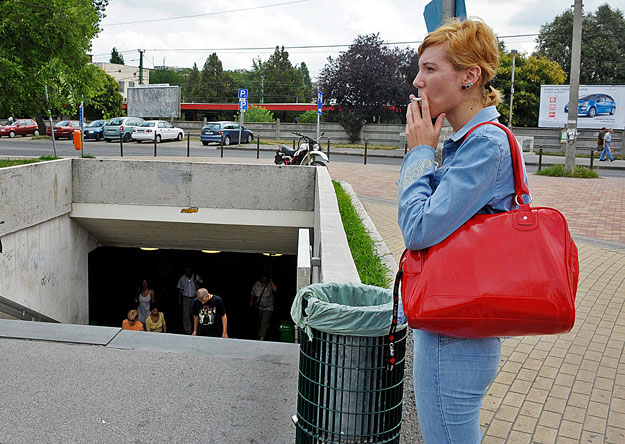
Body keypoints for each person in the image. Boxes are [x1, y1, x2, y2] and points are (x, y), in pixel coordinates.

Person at [398, 18, 525, 444]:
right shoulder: (468, 143)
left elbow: (417, 228)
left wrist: (418, 153)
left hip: (454, 332)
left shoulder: (485, 145)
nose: (417, 81)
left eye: (430, 69)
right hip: (460, 325)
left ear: (470, 76)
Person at [249, 275, 278, 340]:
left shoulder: (269, 285)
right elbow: (252, 293)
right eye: (263, 278)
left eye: (266, 279)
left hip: (268, 307)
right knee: (261, 322)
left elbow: (275, 289)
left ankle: (261, 338)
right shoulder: (257, 284)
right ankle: (261, 333)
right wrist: (251, 301)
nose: (264, 280)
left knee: (264, 322)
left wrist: (271, 280)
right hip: (259, 307)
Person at [177, 267, 203, 334]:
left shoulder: (196, 277)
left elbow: (202, 284)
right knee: (186, 315)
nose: (188, 273)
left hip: (195, 298)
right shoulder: (182, 278)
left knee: (196, 314)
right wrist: (180, 299)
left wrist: (197, 283)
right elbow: (180, 289)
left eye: (189, 271)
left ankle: (197, 329)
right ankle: (187, 331)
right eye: (186, 271)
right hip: (186, 298)